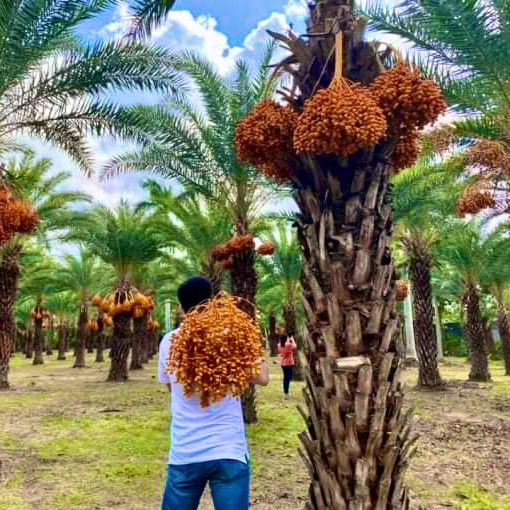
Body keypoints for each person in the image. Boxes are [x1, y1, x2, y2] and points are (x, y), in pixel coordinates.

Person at [158, 276, 269, 510]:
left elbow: (171, 387)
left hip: (186, 452)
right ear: (210, 303)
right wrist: (251, 338)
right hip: (228, 450)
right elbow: (262, 377)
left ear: (182, 309)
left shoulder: (169, 342)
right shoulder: (230, 337)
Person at [278, 334, 296, 400]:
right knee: (288, 378)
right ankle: (286, 393)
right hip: (289, 363)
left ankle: (286, 393)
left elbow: (284, 346)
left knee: (286, 377)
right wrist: (292, 339)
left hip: (283, 363)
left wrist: (288, 339)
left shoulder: (279, 345)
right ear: (286, 339)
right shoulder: (289, 345)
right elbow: (294, 346)